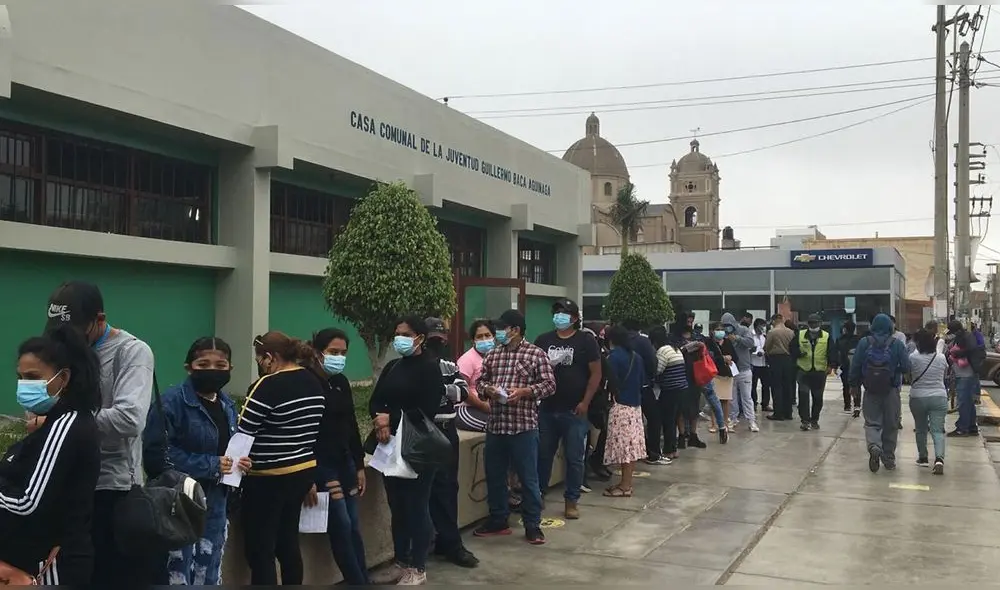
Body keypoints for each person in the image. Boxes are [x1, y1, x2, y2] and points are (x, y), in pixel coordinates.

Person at [42, 281, 160, 585]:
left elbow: (130, 419)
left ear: (100, 320)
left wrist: (65, 422)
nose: (67, 339)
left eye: (75, 331)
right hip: (65, 485)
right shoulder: (61, 352)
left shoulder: (132, 352)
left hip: (112, 490)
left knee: (111, 577)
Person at [2, 325, 101, 585]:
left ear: (63, 378)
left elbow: (28, 502)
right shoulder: (53, 423)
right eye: (20, 377)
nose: (24, 386)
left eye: (33, 377)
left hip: (51, 567)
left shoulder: (67, 425)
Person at [141, 337, 243, 586]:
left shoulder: (227, 404)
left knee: (209, 572)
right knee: (178, 572)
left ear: (230, 368)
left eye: (221, 365)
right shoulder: (170, 402)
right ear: (189, 367)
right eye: (203, 364)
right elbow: (157, 456)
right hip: (178, 504)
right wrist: (211, 465)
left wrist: (239, 463)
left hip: (216, 503)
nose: (213, 370)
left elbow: (225, 450)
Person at [239, 331, 326, 585]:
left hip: (267, 477)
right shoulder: (313, 380)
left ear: (270, 357)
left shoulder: (267, 385)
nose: (260, 365)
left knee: (260, 549)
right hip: (301, 473)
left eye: (260, 359)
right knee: (287, 543)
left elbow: (243, 429)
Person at [368, 316, 445, 586]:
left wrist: (391, 418)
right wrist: (380, 421)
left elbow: (427, 411)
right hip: (389, 446)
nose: (399, 338)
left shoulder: (430, 368)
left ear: (420, 338)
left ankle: (418, 566)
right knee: (397, 506)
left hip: (417, 448)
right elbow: (376, 400)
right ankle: (400, 561)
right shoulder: (393, 366)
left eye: (405, 334)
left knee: (416, 507)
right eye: (397, 333)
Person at [473, 310, 557, 546]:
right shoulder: (493, 355)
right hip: (496, 426)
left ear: (516, 330)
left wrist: (524, 392)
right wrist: (487, 390)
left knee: (528, 479)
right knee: (495, 476)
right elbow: (480, 382)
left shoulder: (535, 354)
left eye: (502, 328)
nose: (498, 333)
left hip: (523, 427)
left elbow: (550, 385)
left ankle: (532, 524)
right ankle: (498, 519)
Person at [308, 328, 369, 585]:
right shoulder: (306, 382)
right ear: (317, 352)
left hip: (345, 463)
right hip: (321, 466)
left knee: (353, 525)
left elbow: (351, 424)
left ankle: (362, 579)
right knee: (340, 525)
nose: (339, 357)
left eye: (343, 353)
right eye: (333, 352)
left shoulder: (341, 382)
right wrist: (307, 476)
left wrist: (359, 464)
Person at [534, 298, 602, 521]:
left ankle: (571, 500)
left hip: (575, 411)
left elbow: (596, 373)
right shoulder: (543, 340)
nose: (559, 317)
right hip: (547, 409)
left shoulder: (585, 340)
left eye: (564, 313)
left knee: (574, 458)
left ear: (574, 318)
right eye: (556, 312)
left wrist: (585, 402)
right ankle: (538, 495)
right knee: (543, 455)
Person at [422, 318, 479, 569]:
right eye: (432, 338)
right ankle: (424, 544)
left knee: (447, 489)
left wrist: (437, 388)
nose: (438, 342)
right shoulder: (407, 365)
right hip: (420, 432)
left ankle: (450, 544)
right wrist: (443, 388)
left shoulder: (449, 365)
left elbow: (462, 392)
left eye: (441, 338)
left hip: (446, 432)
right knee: (420, 492)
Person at [849, 313, 910, 473]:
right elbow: (906, 366)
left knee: (871, 422)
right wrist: (895, 370)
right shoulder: (896, 344)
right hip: (891, 389)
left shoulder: (864, 342)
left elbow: (855, 365)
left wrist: (853, 385)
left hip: (870, 389)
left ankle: (874, 446)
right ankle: (888, 458)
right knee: (891, 424)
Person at [601, 325, 646, 498]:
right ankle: (626, 483)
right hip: (635, 407)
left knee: (624, 448)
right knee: (632, 447)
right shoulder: (637, 357)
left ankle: (625, 486)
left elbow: (609, 382)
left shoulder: (613, 358)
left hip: (620, 407)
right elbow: (642, 381)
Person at [908, 329, 948, 475]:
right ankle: (939, 459)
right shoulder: (941, 357)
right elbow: (944, 374)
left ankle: (923, 457)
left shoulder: (913, 357)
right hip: (939, 396)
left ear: (918, 343)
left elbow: (908, 374)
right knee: (937, 430)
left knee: (921, 428)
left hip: (918, 396)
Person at [790, 314, 837, 431]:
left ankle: (814, 420)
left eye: (815, 323)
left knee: (817, 397)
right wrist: (798, 354)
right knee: (803, 396)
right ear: (808, 324)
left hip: (819, 371)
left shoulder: (826, 336)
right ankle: (805, 421)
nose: (813, 325)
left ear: (820, 323)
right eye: (811, 323)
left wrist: (831, 365)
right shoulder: (800, 335)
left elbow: (832, 351)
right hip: (803, 371)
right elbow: (792, 348)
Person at [945, 320, 984, 438]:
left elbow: (971, 349)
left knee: (963, 402)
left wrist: (958, 353)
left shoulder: (967, 337)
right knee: (968, 402)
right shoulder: (964, 336)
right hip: (964, 374)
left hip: (966, 374)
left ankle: (962, 428)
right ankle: (971, 427)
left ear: (956, 330)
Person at [455, 320, 496, 433]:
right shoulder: (467, 360)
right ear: (473, 340)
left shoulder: (497, 357)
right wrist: (483, 406)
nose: (484, 339)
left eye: (487, 335)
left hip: (493, 408)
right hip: (467, 409)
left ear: (494, 337)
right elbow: (462, 389)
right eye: (479, 336)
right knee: (497, 427)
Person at [721, 313, 758, 432]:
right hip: (731, 370)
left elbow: (751, 343)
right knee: (732, 398)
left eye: (728, 325)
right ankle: (733, 418)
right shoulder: (723, 334)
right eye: (724, 325)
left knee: (746, 397)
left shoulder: (744, 330)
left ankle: (751, 420)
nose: (727, 327)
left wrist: (737, 338)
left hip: (744, 369)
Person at [764, 314, 796, 422]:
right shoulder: (790, 332)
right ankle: (788, 412)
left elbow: (767, 347)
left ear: (774, 321)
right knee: (788, 386)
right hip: (788, 360)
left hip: (776, 359)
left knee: (776, 386)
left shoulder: (772, 332)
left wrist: (768, 354)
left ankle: (778, 413)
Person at [707, 323, 735, 439]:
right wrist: (722, 358)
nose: (720, 331)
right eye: (717, 329)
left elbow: (735, 356)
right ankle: (714, 423)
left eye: (722, 329)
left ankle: (725, 422)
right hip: (715, 374)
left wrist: (730, 358)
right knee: (715, 400)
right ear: (712, 331)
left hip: (727, 374)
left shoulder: (728, 342)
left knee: (726, 400)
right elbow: (709, 357)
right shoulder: (709, 343)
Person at [837, 321, 861, 417]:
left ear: (845, 329)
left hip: (845, 366)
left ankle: (847, 405)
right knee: (856, 385)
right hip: (856, 366)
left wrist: (836, 365)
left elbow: (838, 354)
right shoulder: (858, 339)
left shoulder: (840, 340)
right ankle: (857, 405)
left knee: (846, 386)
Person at [750, 318, 770, 412]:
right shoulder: (750, 335)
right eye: (762, 325)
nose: (764, 327)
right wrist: (755, 353)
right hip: (753, 363)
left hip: (764, 363)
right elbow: (748, 349)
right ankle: (754, 403)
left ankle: (765, 404)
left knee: (766, 385)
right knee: (753, 385)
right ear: (757, 326)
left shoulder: (764, 336)